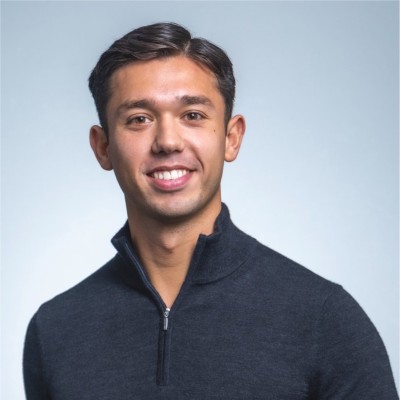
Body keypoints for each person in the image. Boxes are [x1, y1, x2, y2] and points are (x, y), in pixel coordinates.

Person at [23, 22, 398, 399]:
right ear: (102, 146)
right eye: (139, 119)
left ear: (232, 138)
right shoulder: (54, 332)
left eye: (192, 115)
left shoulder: (324, 319)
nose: (167, 141)